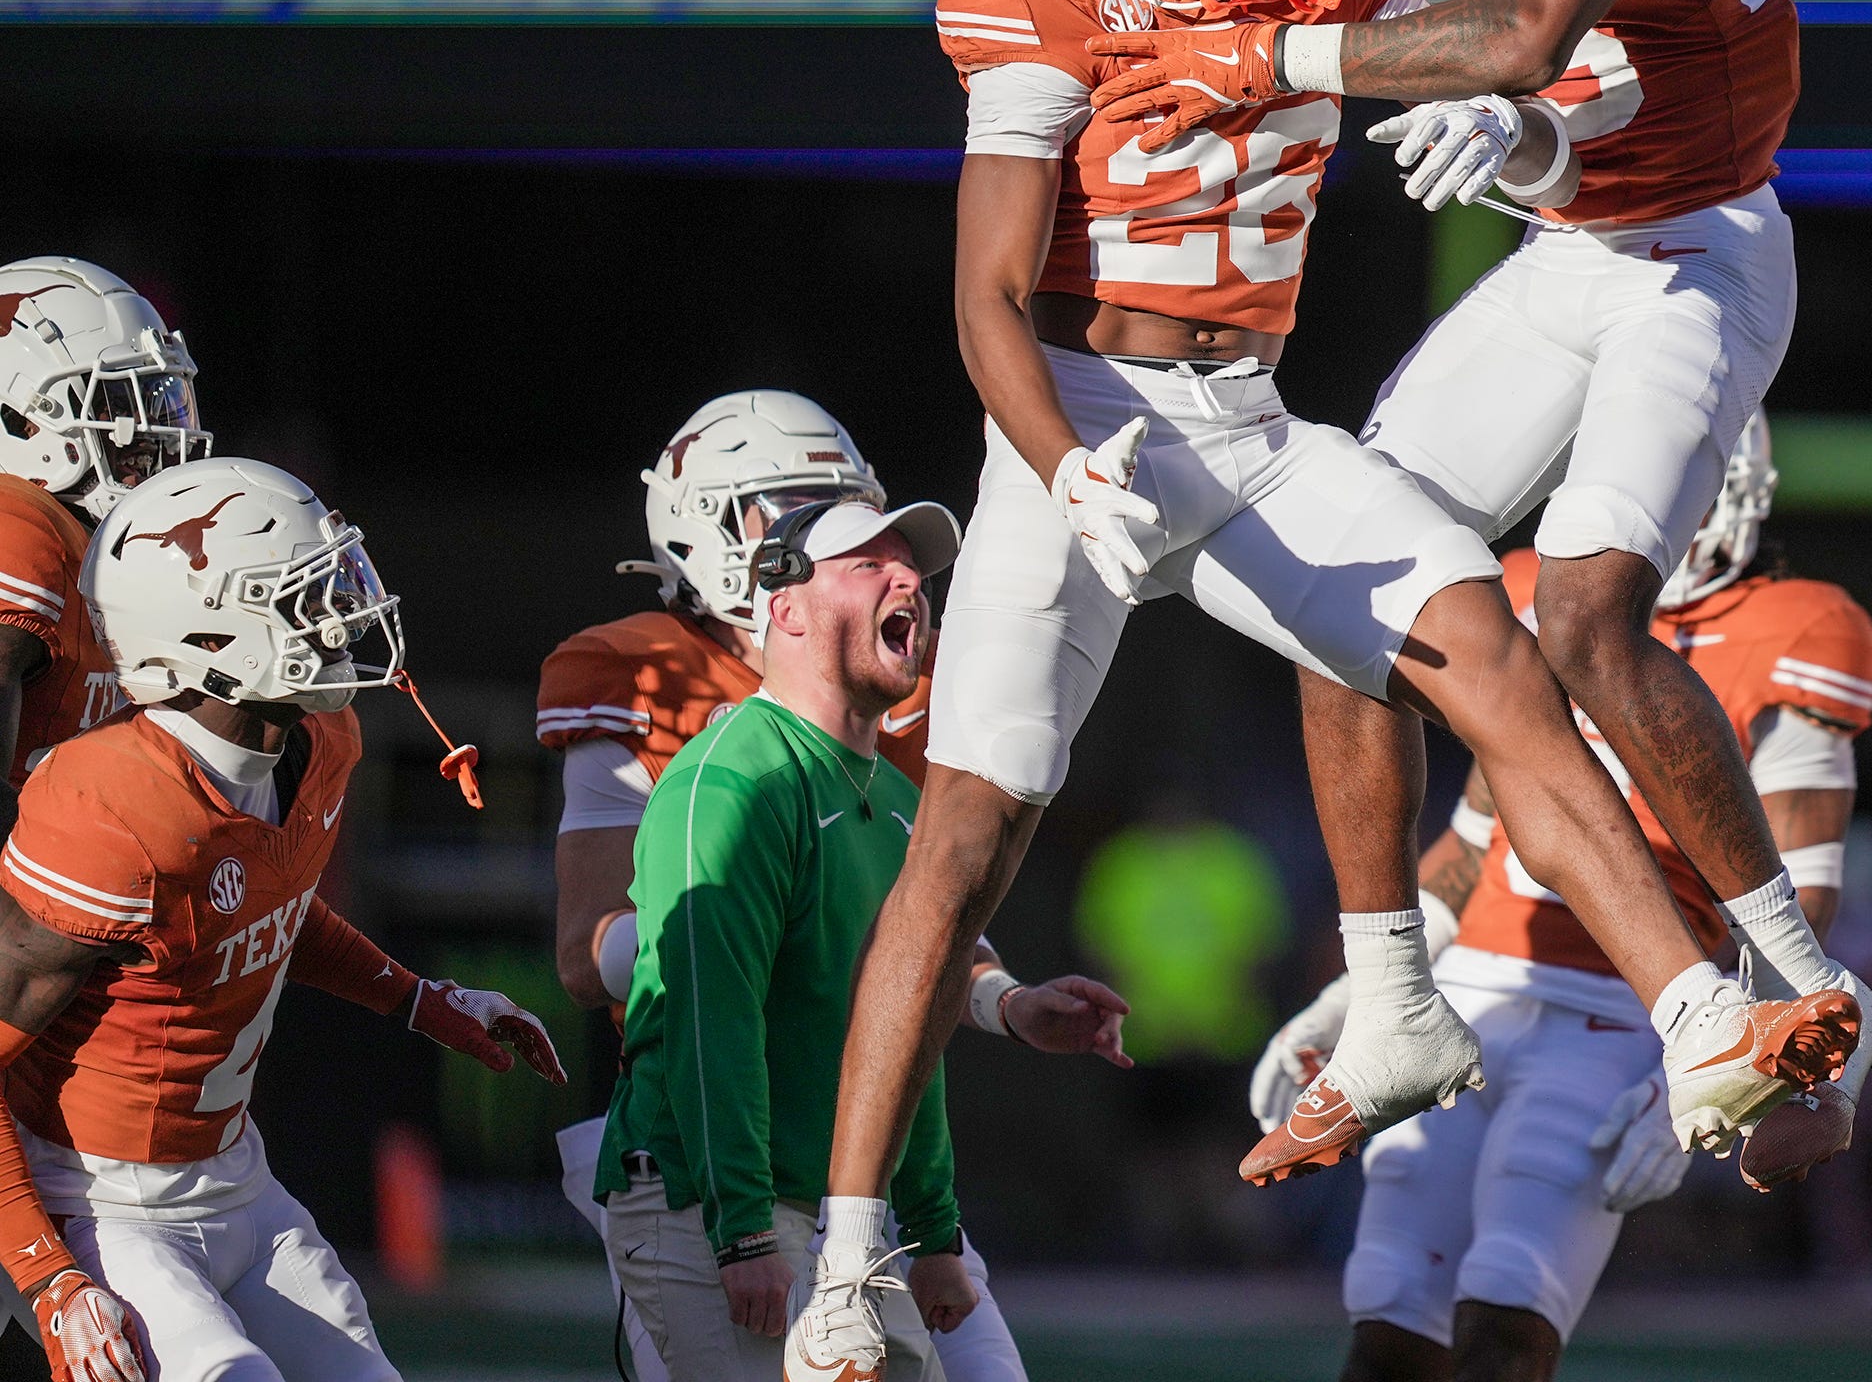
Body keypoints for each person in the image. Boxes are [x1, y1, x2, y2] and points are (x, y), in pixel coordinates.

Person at [790, 0, 1853, 1381]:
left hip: (1254, 429)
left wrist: (1522, 117)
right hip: (1082, 429)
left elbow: (1575, 68)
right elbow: (987, 295)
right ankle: (852, 1253)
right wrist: (1058, 464)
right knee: (964, 842)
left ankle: (1699, 1017)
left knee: (1498, 652)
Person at [957, 0, 1872, 1196]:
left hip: (1697, 251)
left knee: (1586, 611)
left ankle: (1793, 979)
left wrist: (1272, 54)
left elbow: (1533, 35)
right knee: (1364, 571)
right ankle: (1389, 990)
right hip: (1568, 235)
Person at [1274, 414, 1872, 1382]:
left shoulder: (1796, 626)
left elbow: (1800, 897)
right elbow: (1475, 830)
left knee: (1506, 1320)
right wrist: (1352, 995)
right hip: (1469, 982)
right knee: (1387, 1315)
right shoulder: (1518, 590)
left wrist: (1696, 1067)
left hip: (1619, 1013)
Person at [0, 458, 564, 1382]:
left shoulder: (318, 741)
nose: (347, 614)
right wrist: (44, 1273)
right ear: (206, 631)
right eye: (304, 598)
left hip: (237, 1181)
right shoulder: (115, 807)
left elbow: (268, 909)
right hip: (95, 1202)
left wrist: (420, 1000)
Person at [598, 495, 1131, 1382]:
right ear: (786, 607)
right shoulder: (735, 781)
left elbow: (902, 1035)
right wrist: (743, 1234)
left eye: (912, 567)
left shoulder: (896, 800)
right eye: (867, 565)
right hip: (716, 1202)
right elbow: (709, 1023)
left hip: (845, 1216)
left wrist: (932, 1230)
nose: (907, 582)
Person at [542, 394, 1020, 1382]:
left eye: (848, 507)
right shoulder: (648, 680)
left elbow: (907, 938)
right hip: (709, 1136)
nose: (881, 560)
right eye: (795, 503)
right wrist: (735, 932)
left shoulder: (884, 700)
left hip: (857, 1145)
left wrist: (1002, 1001)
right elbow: (587, 952)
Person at [0, 257, 211, 792]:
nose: (152, 434)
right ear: (19, 417)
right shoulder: (19, 526)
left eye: (158, 399)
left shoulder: (106, 542)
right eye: (116, 403)